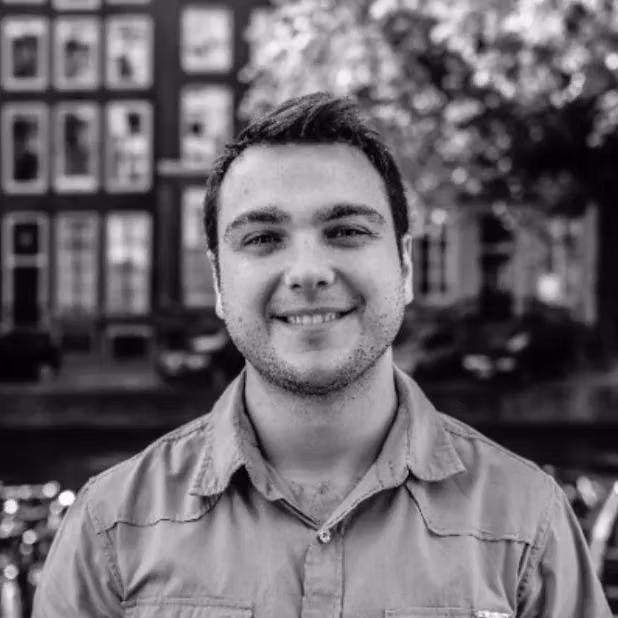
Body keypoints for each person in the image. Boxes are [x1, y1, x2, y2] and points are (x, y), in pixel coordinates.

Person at [33, 93, 611, 617]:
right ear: (217, 281)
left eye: (346, 231)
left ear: (405, 266)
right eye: (263, 238)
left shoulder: (528, 524)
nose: (308, 272)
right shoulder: (109, 529)